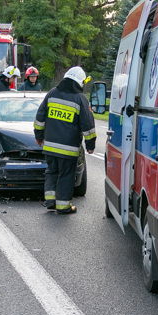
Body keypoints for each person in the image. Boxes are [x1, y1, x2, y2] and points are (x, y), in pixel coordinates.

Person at [34, 66, 96, 214]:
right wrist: (90, 144)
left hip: (49, 146)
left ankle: (50, 201)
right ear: (80, 82)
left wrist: (39, 136)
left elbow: (40, 117)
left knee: (51, 172)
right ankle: (63, 206)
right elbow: (88, 125)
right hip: (68, 148)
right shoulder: (80, 99)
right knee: (66, 175)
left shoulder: (52, 93)